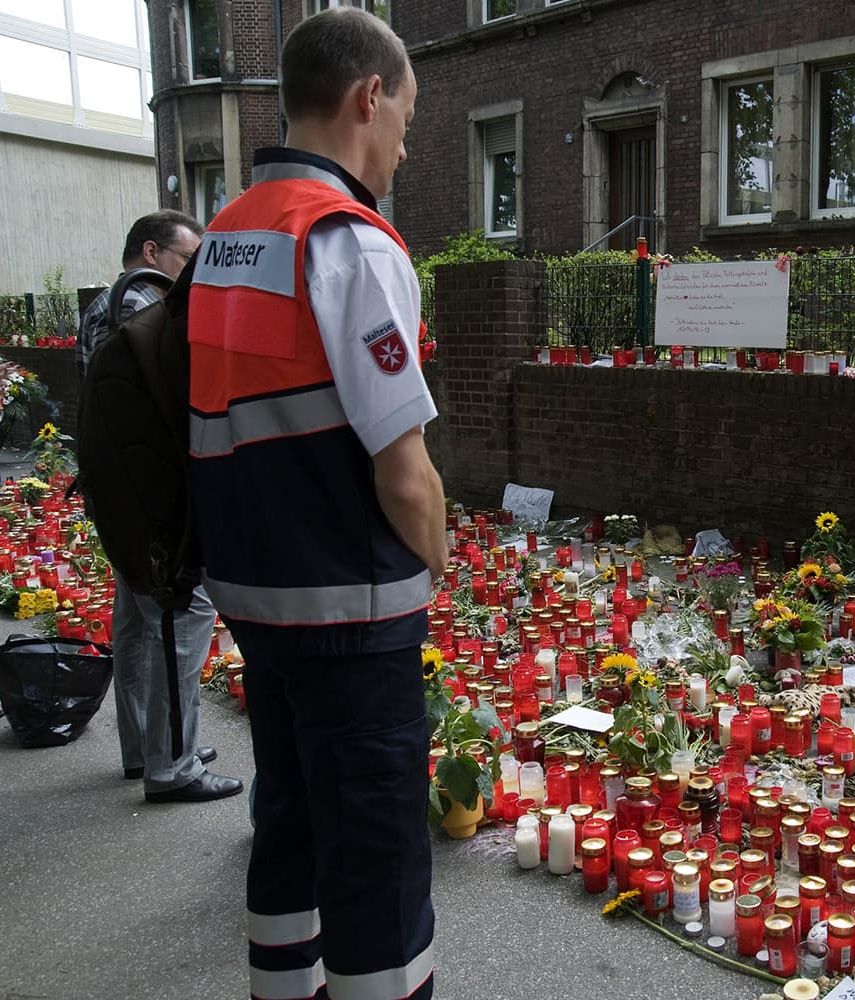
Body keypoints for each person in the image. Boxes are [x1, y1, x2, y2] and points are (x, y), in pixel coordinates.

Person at [186, 9, 444, 999]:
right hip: (351, 603)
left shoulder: (224, 238)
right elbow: (402, 467)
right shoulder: (347, 240)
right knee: (377, 860)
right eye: (406, 120)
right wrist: (438, 552)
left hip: (258, 595)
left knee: (289, 822)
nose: (405, 148)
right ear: (365, 97)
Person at [77, 210, 243, 804]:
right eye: (186, 256)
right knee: (181, 616)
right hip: (152, 495)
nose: (192, 272)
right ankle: (172, 763)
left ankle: (143, 746)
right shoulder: (145, 309)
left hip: (114, 490)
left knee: (134, 619)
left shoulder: (104, 305)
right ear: (152, 252)